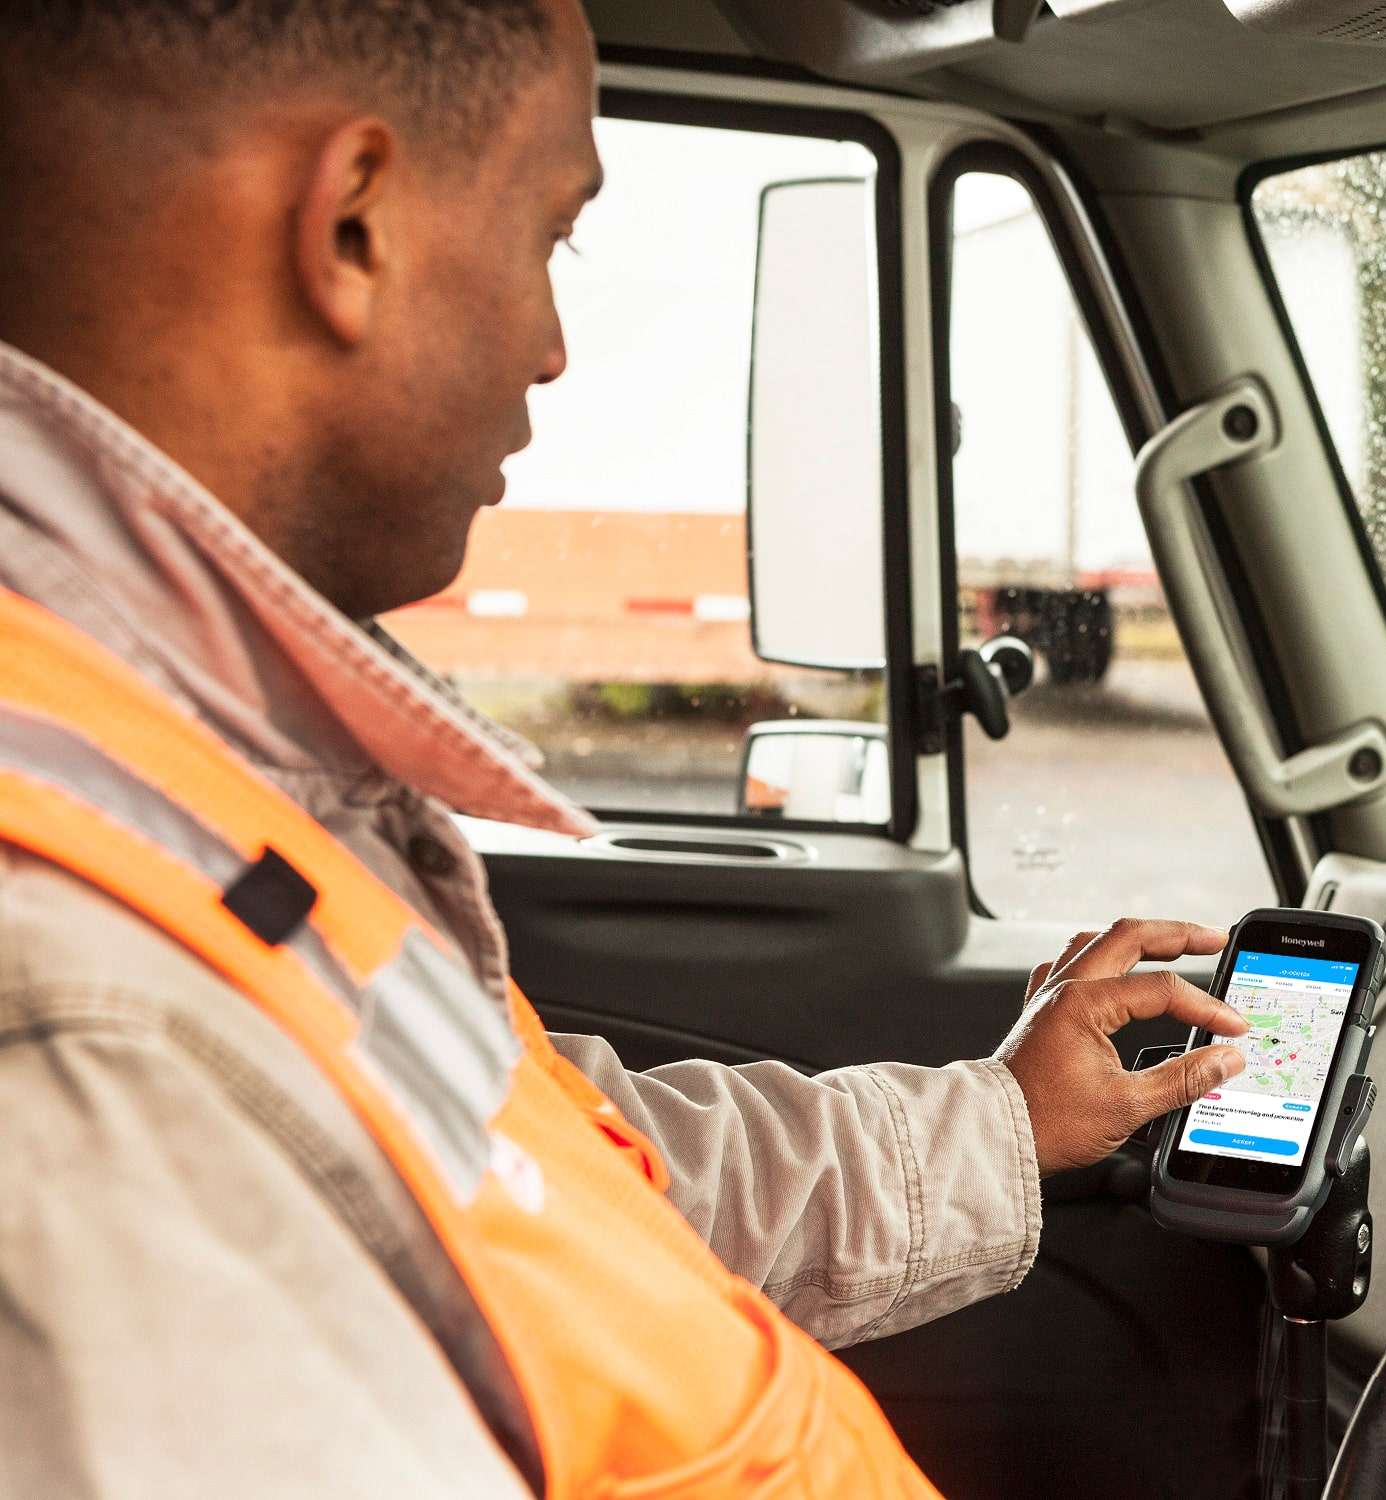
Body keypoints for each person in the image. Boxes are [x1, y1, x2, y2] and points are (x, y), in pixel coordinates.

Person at [0, 3, 1249, 1495]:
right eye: (552, 233)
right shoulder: (75, 1023)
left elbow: (554, 1184)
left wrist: (996, 1122)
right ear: (350, 224)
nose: (550, 345)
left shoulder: (165, 775)